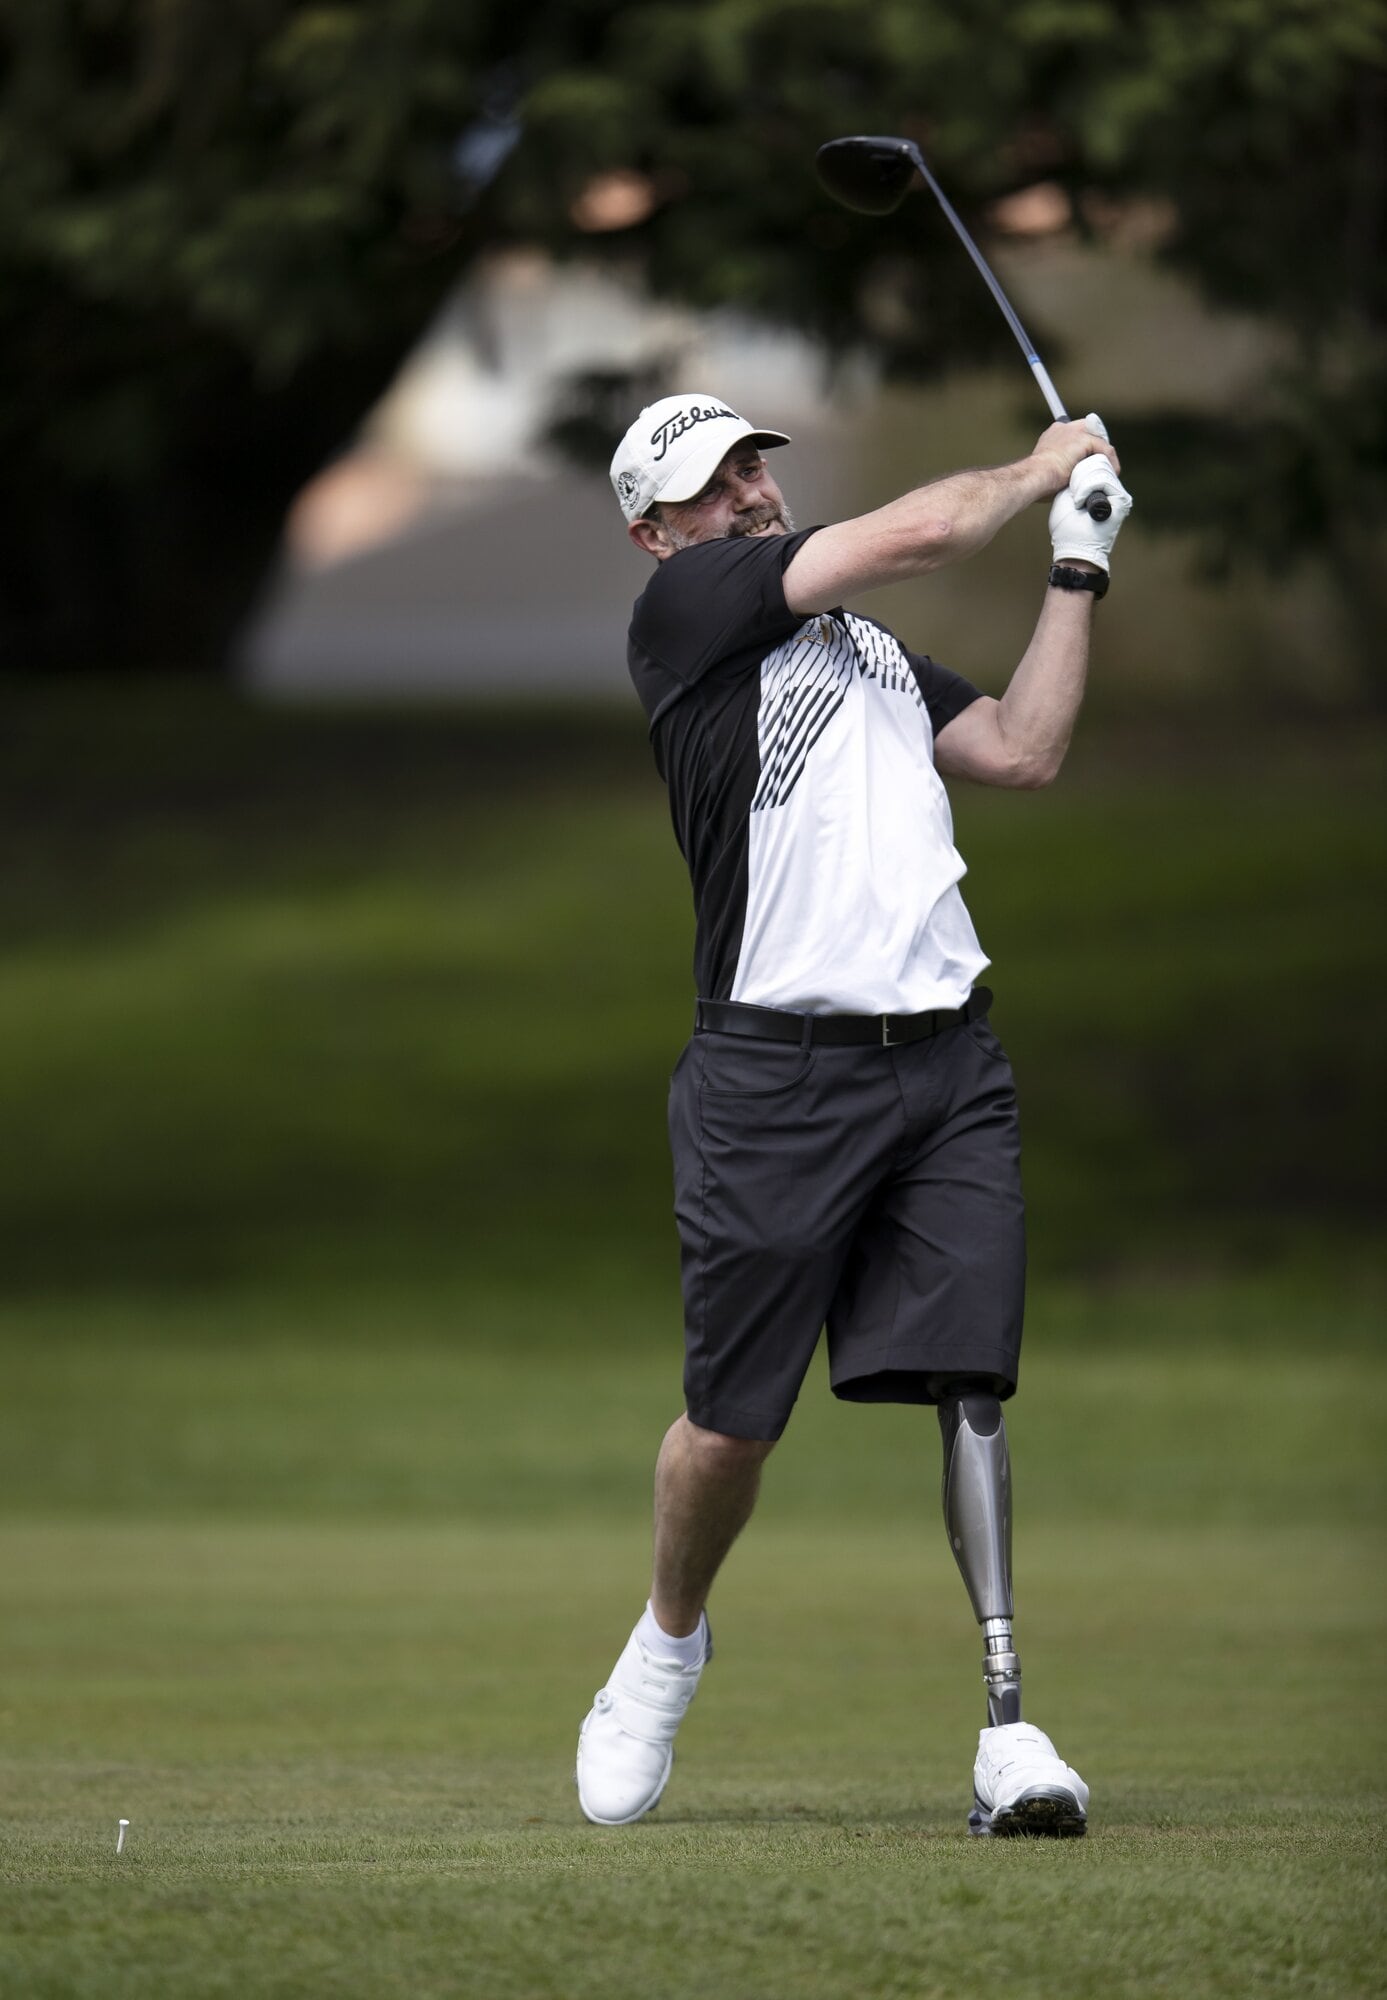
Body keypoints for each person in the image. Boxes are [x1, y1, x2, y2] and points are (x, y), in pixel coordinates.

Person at [577, 392, 1133, 1837]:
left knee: (973, 1383)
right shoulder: (692, 619)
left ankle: (1010, 1730)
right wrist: (1039, 466)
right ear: (656, 533)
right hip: (775, 1078)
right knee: (733, 1423)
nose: (751, 494)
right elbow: (934, 528)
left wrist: (1078, 568)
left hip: (946, 1061)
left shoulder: (866, 652)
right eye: (714, 483)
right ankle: (668, 1639)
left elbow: (1022, 748)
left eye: (757, 465)